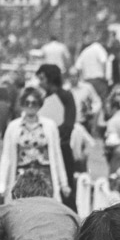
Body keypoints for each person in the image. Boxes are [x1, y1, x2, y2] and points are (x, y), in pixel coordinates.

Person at [0, 87, 70, 203]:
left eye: (34, 103)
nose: (30, 106)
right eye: (27, 103)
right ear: (22, 104)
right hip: (21, 175)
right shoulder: (13, 127)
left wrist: (63, 183)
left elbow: (57, 155)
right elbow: (6, 157)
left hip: (45, 175)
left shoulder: (50, 126)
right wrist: (1, 185)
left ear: (39, 105)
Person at [36, 63, 77, 201]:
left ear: (50, 79)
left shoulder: (65, 96)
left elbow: (68, 125)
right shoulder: (42, 98)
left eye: (42, 79)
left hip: (62, 149)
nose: (40, 83)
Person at [74, 31, 110, 101]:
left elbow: (77, 67)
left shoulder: (84, 52)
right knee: (102, 102)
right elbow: (104, 61)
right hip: (98, 81)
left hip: (87, 82)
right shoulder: (98, 48)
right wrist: (105, 76)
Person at [67, 66, 102, 133]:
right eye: (71, 76)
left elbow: (97, 101)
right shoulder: (65, 89)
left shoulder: (87, 87)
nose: (73, 78)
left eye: (75, 76)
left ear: (78, 76)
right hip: (70, 123)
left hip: (84, 122)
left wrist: (92, 111)